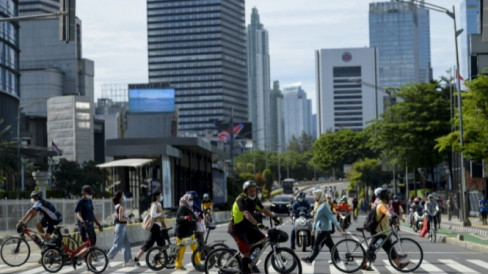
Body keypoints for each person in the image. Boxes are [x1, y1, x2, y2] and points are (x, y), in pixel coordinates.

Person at [229, 180, 281, 274]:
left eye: (255, 190)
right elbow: (246, 214)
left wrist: (274, 217)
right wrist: (257, 223)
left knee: (263, 239)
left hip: (247, 227)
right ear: (245, 191)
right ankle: (244, 270)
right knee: (246, 251)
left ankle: (250, 262)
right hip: (237, 228)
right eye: (251, 191)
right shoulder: (241, 199)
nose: (253, 192)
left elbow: (263, 209)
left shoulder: (255, 199)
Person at [363, 189, 407, 271]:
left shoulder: (383, 204)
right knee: (372, 249)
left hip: (384, 232)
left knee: (389, 249)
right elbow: (387, 212)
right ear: (384, 196)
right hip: (379, 232)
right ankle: (363, 264)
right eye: (388, 195)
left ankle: (399, 265)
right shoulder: (381, 206)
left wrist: (398, 217)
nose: (389, 196)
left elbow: (390, 212)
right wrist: (391, 216)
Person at [302, 189, 342, 264]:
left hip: (323, 229)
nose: (314, 197)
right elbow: (316, 217)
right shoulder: (319, 205)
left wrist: (338, 226)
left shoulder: (324, 206)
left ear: (320, 196)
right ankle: (336, 258)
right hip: (323, 228)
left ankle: (310, 259)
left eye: (315, 195)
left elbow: (331, 216)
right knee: (331, 245)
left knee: (316, 244)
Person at [134, 191, 168, 266]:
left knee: (150, 243)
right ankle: (160, 260)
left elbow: (157, 215)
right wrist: (161, 214)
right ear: (157, 196)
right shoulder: (154, 204)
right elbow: (153, 215)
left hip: (158, 226)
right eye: (161, 194)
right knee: (161, 244)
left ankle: (137, 258)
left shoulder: (158, 204)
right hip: (155, 226)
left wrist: (163, 215)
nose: (162, 196)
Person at [107, 191, 135, 267]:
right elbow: (120, 218)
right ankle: (107, 259)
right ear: (120, 198)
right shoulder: (121, 207)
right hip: (121, 227)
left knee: (126, 244)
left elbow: (116, 218)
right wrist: (129, 220)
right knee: (117, 245)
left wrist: (116, 227)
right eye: (122, 196)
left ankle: (127, 260)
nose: (124, 197)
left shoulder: (116, 206)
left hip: (120, 226)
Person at [175, 193, 200, 270]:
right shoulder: (182, 207)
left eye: (192, 200)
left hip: (189, 231)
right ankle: (178, 265)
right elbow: (179, 218)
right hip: (182, 232)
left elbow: (192, 217)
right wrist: (185, 217)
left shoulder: (189, 208)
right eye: (189, 200)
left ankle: (198, 263)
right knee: (181, 249)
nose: (191, 201)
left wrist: (196, 218)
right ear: (185, 200)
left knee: (195, 248)